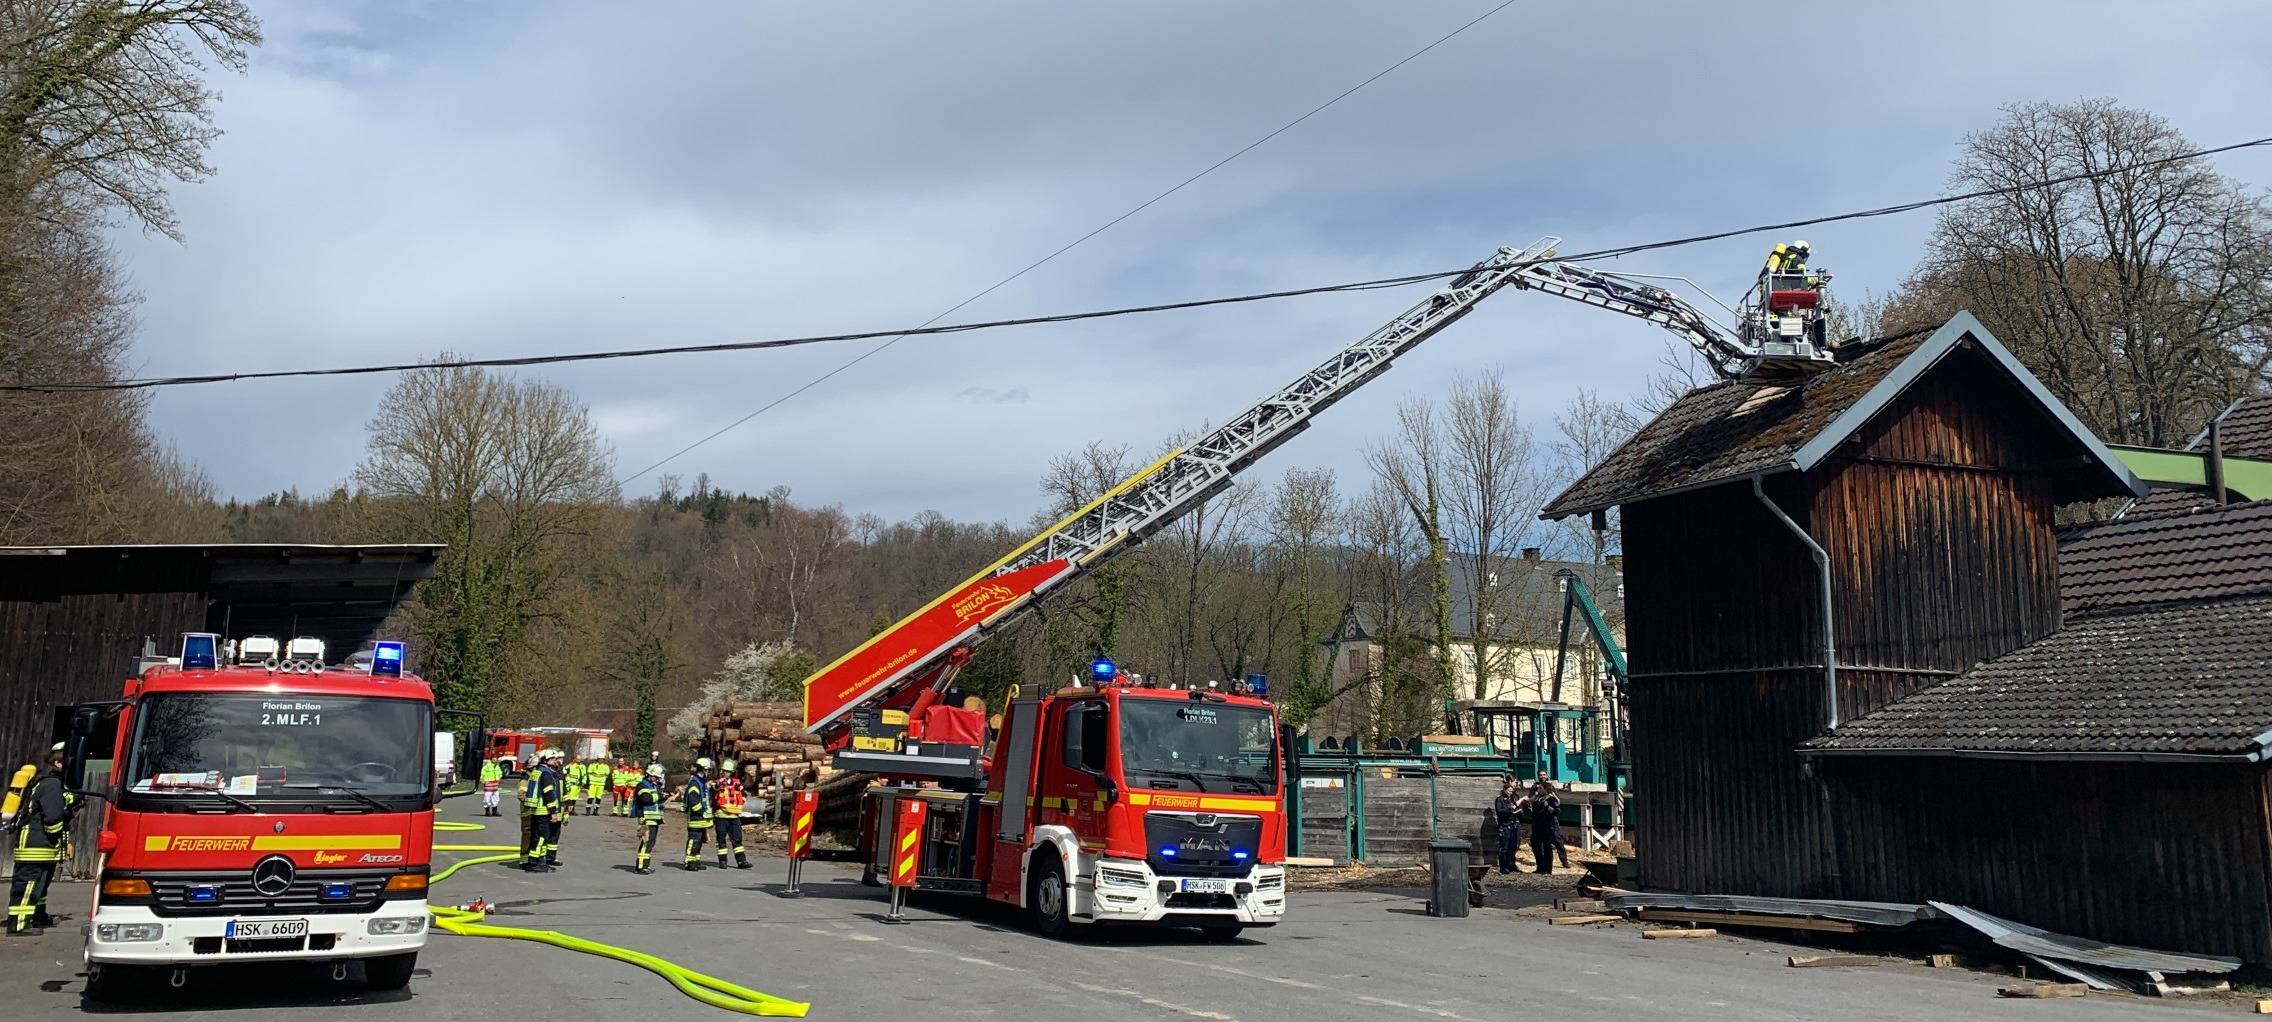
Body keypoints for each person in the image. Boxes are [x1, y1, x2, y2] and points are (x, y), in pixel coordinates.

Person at [7, 745, 72, 936]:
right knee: (28, 886)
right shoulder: (51, 784)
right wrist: (57, 832)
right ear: (58, 763)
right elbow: (52, 818)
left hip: (41, 847)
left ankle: (37, 916)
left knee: (39, 886)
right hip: (36, 846)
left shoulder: (45, 783)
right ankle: (18, 925)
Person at [630, 764, 668, 874]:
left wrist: (664, 797)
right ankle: (641, 866)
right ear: (650, 775)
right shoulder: (642, 785)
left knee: (651, 842)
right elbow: (646, 799)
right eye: (655, 777)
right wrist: (660, 796)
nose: (656, 779)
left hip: (654, 819)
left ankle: (645, 864)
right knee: (646, 842)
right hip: (646, 818)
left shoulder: (653, 786)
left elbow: (655, 800)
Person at [713, 760, 750, 870]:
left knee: (737, 840)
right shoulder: (718, 783)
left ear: (731, 772)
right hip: (721, 816)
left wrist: (741, 802)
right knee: (721, 840)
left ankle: (741, 861)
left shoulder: (737, 783)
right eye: (724, 771)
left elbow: (743, 794)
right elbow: (714, 790)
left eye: (728, 771)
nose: (725, 773)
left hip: (734, 816)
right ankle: (723, 861)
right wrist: (719, 784)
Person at [1526, 774, 1565, 875]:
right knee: (1536, 846)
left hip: (1548, 825)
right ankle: (1540, 867)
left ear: (1544, 789)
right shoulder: (1537, 798)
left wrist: (1548, 807)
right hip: (1537, 824)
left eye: (1540, 788)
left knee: (1547, 847)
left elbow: (1557, 811)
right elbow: (1530, 802)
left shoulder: (1550, 799)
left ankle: (1548, 869)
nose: (1538, 789)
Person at [680, 757, 715, 870]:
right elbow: (693, 802)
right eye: (708, 770)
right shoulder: (695, 783)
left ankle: (696, 861)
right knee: (694, 840)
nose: (709, 773)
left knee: (699, 841)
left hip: (701, 819)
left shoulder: (701, 782)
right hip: (696, 818)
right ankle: (689, 862)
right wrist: (702, 812)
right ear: (703, 770)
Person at [1490, 776, 1524, 875]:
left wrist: (1518, 811)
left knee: (1513, 846)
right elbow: (1499, 811)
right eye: (1508, 791)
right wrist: (1510, 809)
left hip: (1513, 824)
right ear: (1504, 790)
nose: (1510, 793)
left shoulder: (1513, 798)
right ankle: (1503, 867)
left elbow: (1519, 810)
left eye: (1511, 791)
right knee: (1504, 847)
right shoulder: (1499, 800)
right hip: (1505, 825)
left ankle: (1511, 865)